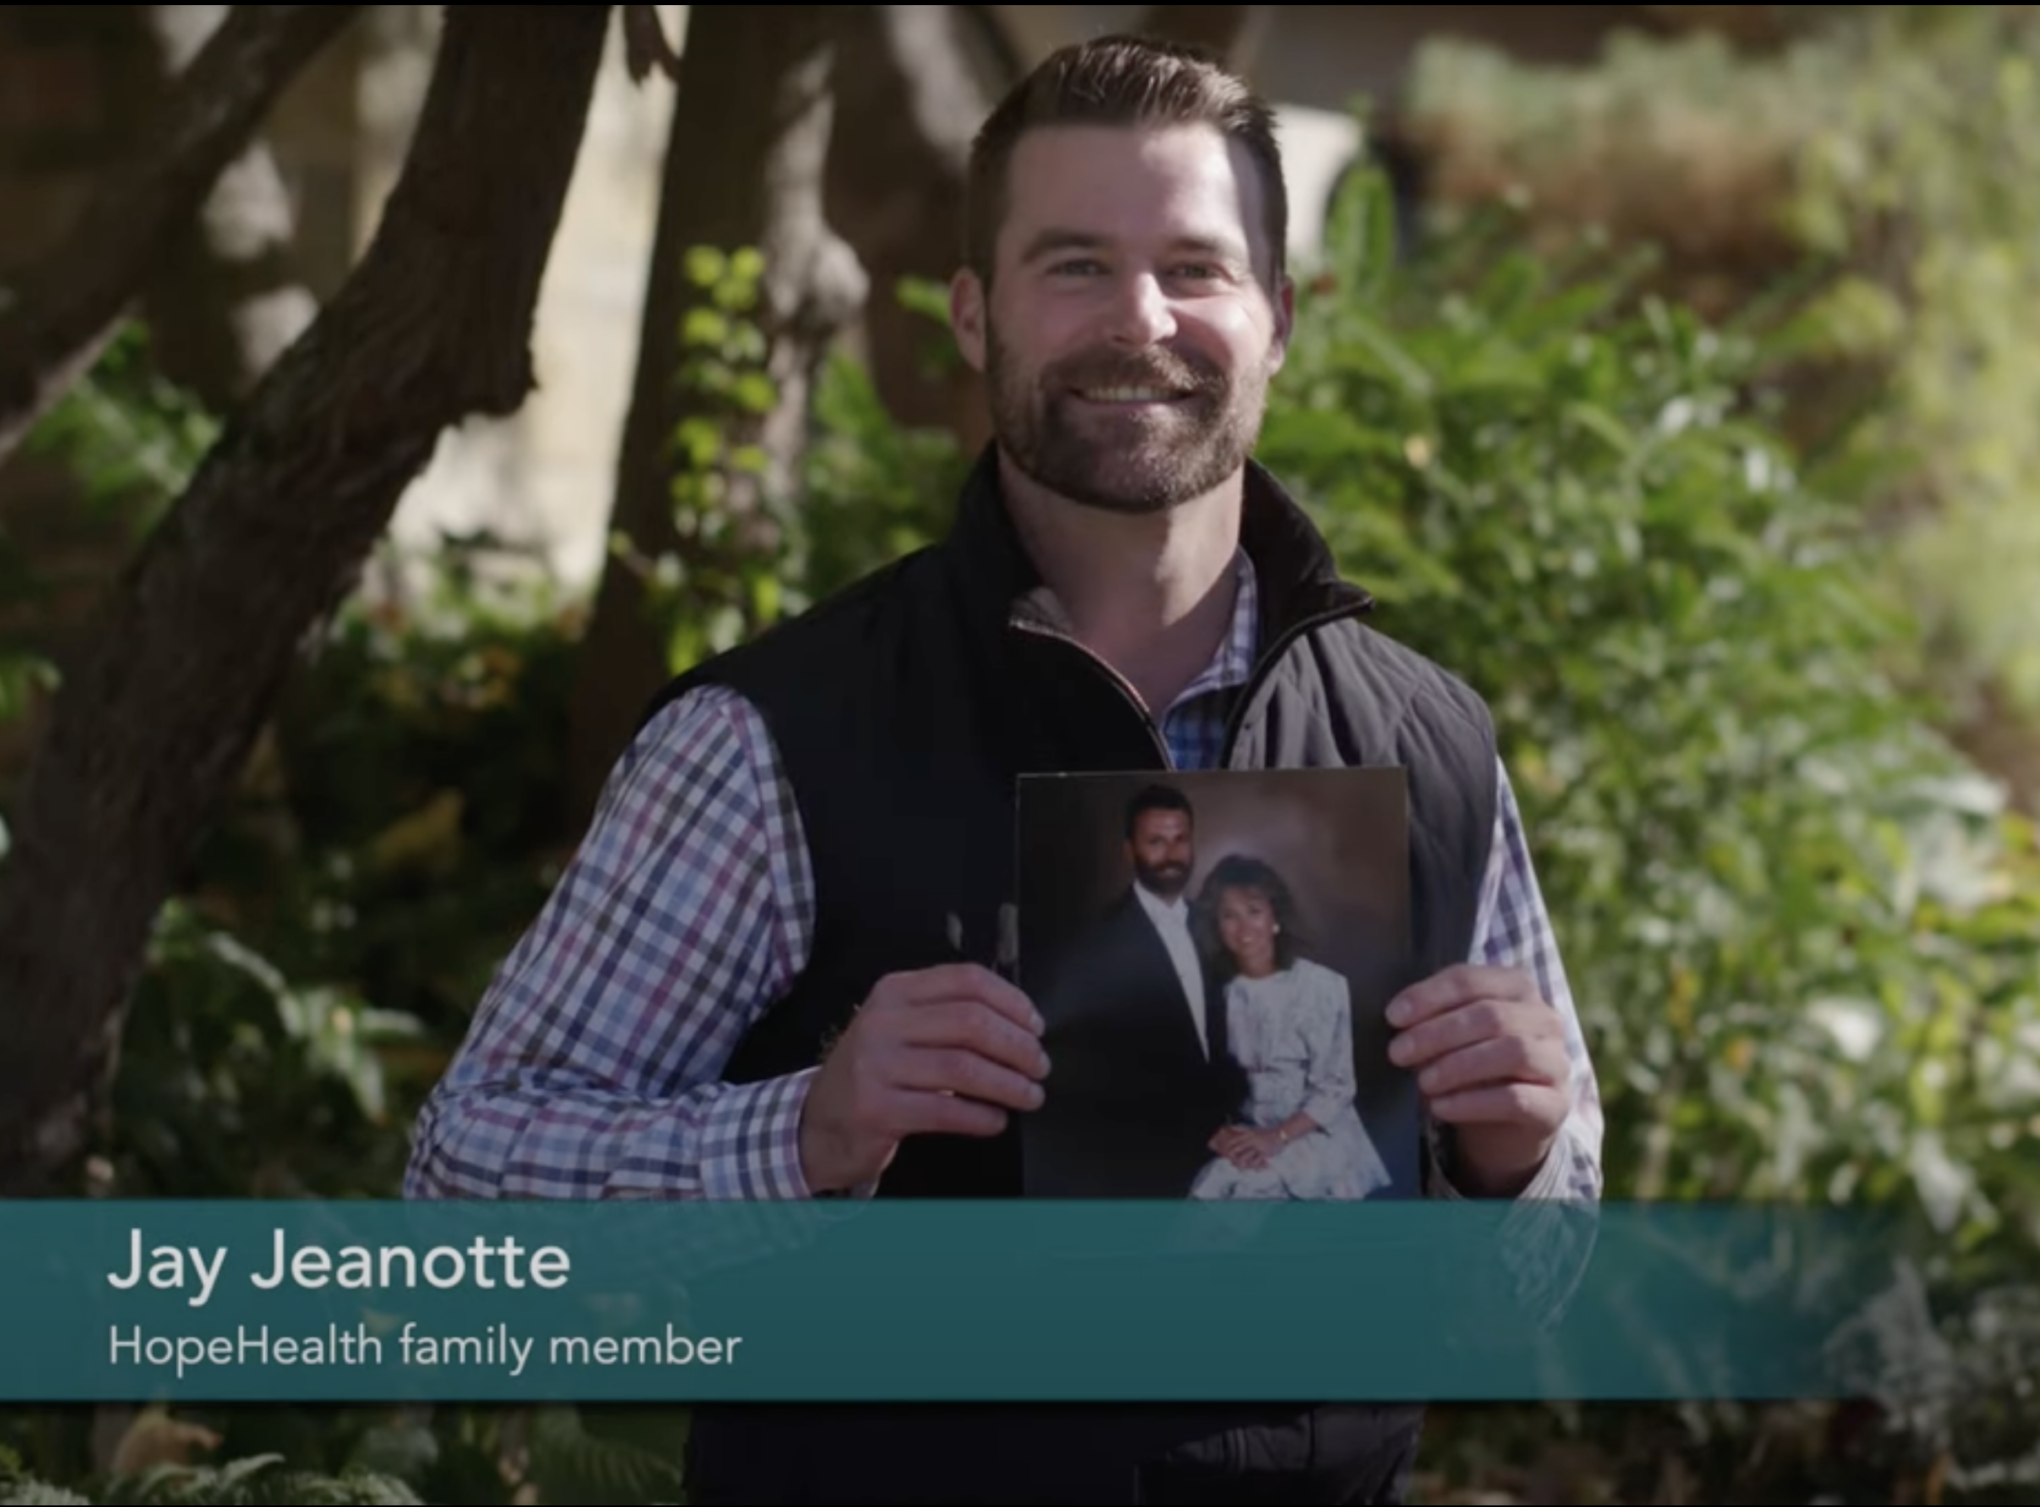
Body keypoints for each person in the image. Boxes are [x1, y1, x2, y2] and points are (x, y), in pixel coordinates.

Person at [404, 31, 1604, 1507]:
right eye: (1074, 265)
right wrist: (805, 1127)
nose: (1141, 317)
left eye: (1196, 266)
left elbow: (1530, 1276)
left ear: (1283, 315)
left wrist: (1513, 1157)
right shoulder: (773, 738)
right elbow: (464, 1182)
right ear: (976, 314)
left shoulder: (1428, 745)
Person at [1021, 784, 1247, 1198]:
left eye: (1180, 839)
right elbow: (1100, 1080)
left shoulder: (1218, 928)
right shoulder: (1095, 945)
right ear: (1129, 851)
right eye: (1155, 842)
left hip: (1226, 1168)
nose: (1171, 855)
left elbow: (1228, 1042)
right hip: (1143, 1173)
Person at [1187, 854, 1395, 1202]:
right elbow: (1205, 1082)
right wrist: (1222, 1134)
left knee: (1240, 1187)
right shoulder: (1216, 992)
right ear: (1217, 926)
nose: (1243, 927)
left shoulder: (1320, 987)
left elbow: (1337, 1089)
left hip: (1317, 1134)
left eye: (1254, 911)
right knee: (1211, 1185)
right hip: (1249, 1133)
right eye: (1229, 916)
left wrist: (1276, 1138)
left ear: (1275, 917)